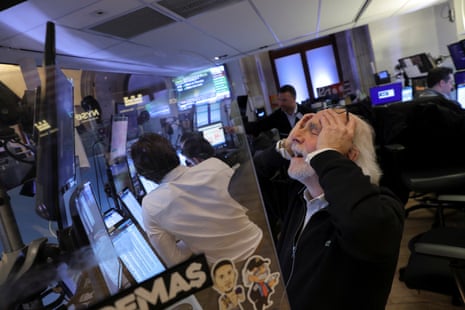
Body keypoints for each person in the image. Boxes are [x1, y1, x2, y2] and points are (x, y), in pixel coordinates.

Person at [262, 108, 404, 309]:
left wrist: (328, 154)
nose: (296, 138)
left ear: (348, 155)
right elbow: (243, 184)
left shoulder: (382, 207)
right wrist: (284, 146)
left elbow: (364, 227)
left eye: (316, 132)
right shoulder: (299, 198)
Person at [130, 133, 263, 267]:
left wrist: (195, 236)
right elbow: (244, 207)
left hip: (226, 272)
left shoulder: (150, 206)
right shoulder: (215, 165)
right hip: (262, 246)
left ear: (145, 176)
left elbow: (175, 260)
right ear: (174, 152)